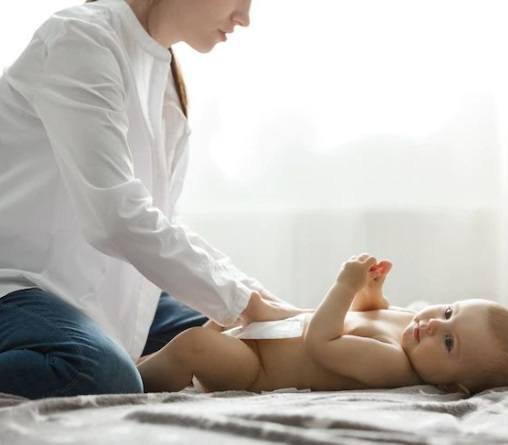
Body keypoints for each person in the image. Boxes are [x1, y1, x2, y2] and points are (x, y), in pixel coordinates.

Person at [0, 0, 302, 400]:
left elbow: (158, 221)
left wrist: (258, 299)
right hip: (18, 287)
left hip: (107, 293)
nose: (244, 17)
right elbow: (115, 218)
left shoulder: (162, 77)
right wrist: (243, 300)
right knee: (99, 372)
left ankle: (128, 360)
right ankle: (121, 363)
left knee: (253, 342)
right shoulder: (79, 39)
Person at [138, 254, 508, 395]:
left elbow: (323, 342)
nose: (434, 325)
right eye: (448, 312)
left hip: (256, 368)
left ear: (452, 386)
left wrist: (345, 287)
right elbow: (367, 315)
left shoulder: (394, 364)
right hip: (270, 331)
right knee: (225, 306)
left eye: (449, 343)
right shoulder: (411, 328)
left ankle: (133, 381)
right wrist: (371, 292)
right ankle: (142, 361)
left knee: (195, 345)